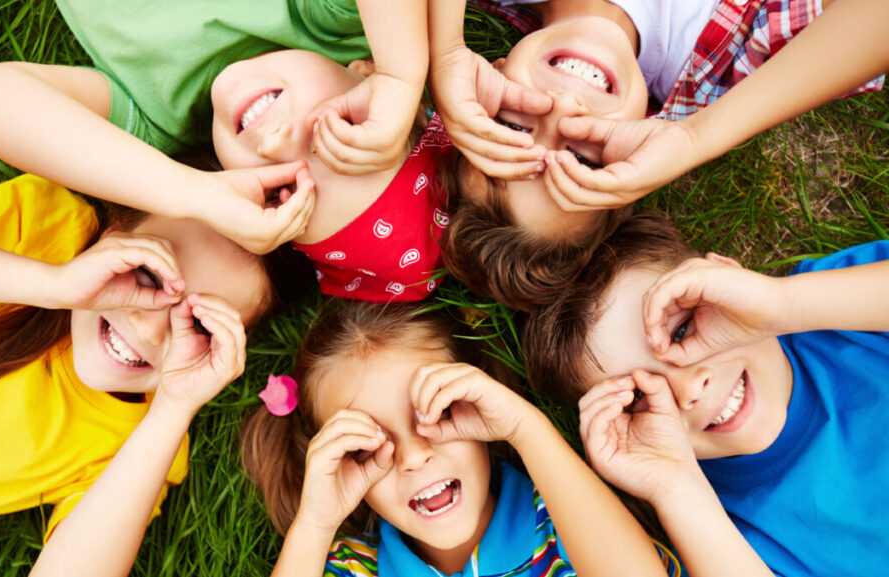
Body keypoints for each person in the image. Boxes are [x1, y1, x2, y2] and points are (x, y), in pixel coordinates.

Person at [0, 174, 310, 574]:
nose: (149, 326)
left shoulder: (139, 443)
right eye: (149, 276)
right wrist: (52, 284)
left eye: (197, 324)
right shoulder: (43, 227)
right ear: (112, 238)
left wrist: (174, 408)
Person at [0, 0, 452, 302]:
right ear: (363, 72)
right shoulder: (328, 18)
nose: (278, 142)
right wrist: (402, 71)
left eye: (280, 189)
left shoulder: (153, 124)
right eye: (338, 131)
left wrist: (192, 193)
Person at [430, 0, 887, 310]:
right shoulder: (740, 62)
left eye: (512, 129)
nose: (564, 109)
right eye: (584, 160)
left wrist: (444, 50)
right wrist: (694, 137)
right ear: (635, 153)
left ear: (485, 82)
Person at [522, 212, 889, 575]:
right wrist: (674, 487)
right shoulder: (716, 534)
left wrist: (782, 303)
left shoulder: (835, 308)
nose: (689, 389)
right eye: (640, 396)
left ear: (728, 281)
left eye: (682, 331)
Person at [240, 302, 680, 577]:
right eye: (368, 446)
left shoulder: (567, 520)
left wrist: (525, 428)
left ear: (479, 403)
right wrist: (314, 524)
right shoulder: (351, 569)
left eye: (437, 413)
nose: (413, 457)